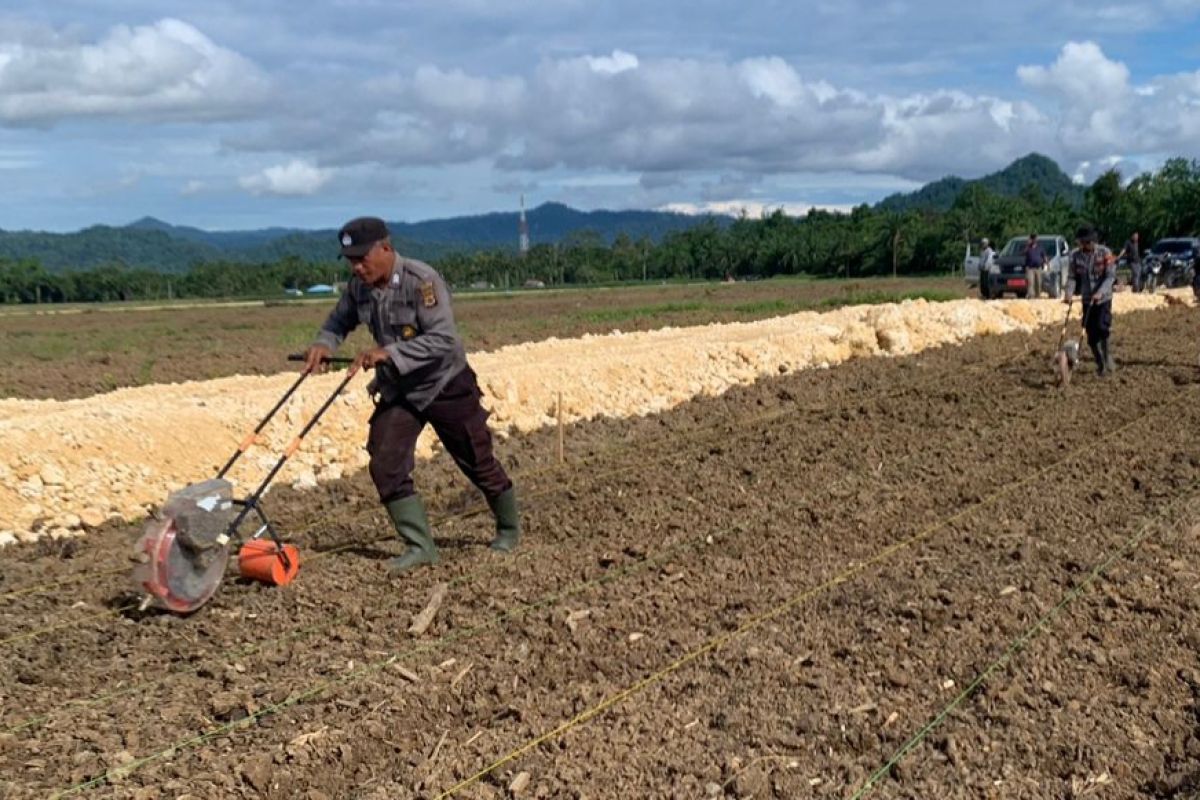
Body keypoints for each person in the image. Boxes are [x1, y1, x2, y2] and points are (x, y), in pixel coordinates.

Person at [303, 217, 520, 573]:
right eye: (350, 261)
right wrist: (323, 344)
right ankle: (420, 546)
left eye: (362, 259)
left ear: (385, 249)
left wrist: (389, 354)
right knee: (385, 462)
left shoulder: (422, 282)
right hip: (401, 389)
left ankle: (509, 528)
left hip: (445, 383)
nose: (357, 267)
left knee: (477, 461)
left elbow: (443, 339)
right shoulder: (359, 288)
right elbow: (337, 321)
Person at [1063, 225, 1117, 376]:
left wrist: (1100, 292)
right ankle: (1100, 363)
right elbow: (1072, 277)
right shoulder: (1075, 256)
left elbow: (1110, 276)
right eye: (1081, 242)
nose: (1083, 245)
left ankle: (1107, 360)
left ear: (1092, 241)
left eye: (1086, 242)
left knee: (1102, 327)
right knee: (1090, 334)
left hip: (1103, 299)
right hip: (1087, 300)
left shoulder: (1105, 253)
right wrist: (1068, 293)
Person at [1023, 233, 1047, 299]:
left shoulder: (1040, 247)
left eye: (1035, 238)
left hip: (1038, 268)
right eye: (1032, 238)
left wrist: (1046, 263)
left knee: (1038, 282)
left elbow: (1044, 256)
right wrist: (1028, 244)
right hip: (1030, 268)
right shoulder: (1028, 247)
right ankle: (1031, 296)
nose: (1034, 240)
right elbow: (1023, 253)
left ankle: (1037, 295)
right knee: (1030, 282)